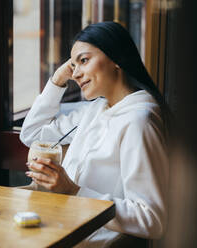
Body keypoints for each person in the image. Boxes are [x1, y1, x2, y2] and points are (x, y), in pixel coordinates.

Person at [19, 21, 171, 247]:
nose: (76, 73)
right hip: (57, 227)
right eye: (72, 65)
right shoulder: (96, 109)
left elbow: (152, 220)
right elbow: (32, 135)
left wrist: (72, 191)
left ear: (116, 58)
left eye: (83, 60)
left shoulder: (139, 122)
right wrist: (58, 80)